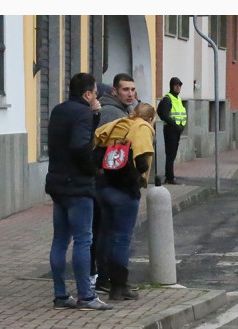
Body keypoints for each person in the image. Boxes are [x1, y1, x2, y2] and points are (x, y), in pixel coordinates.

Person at [45, 72, 113, 311]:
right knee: (84, 240)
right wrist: (93, 169)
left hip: (57, 182)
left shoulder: (58, 110)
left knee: (60, 239)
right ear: (87, 94)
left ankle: (60, 295)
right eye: (95, 93)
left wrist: (94, 115)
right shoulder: (83, 112)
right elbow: (80, 146)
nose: (97, 97)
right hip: (78, 185)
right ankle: (86, 295)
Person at [93, 103, 156, 301]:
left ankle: (103, 278)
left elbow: (97, 138)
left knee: (105, 234)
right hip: (123, 189)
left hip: (103, 185)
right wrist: (139, 179)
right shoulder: (143, 127)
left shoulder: (119, 123)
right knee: (121, 238)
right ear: (150, 118)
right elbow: (142, 157)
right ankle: (119, 286)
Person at [157, 77, 187, 185]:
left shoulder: (177, 99)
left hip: (176, 130)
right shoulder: (168, 99)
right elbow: (163, 114)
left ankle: (169, 176)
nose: (178, 87)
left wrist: (181, 126)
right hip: (170, 130)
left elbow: (180, 115)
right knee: (170, 155)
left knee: (172, 155)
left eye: (180, 85)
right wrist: (175, 125)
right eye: (176, 85)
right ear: (171, 86)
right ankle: (170, 177)